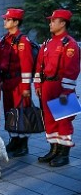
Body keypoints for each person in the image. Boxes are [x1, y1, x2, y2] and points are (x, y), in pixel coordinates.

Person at [34, 9, 80, 167]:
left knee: (64, 121)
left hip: (62, 87)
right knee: (49, 120)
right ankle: (53, 150)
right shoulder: (47, 43)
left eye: (53, 20)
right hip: (48, 86)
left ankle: (64, 153)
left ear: (63, 23)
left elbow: (72, 70)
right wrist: (38, 85)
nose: (50, 23)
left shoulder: (70, 44)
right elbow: (39, 65)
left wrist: (66, 92)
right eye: (50, 20)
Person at [0, 8, 34, 157]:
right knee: (10, 112)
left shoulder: (22, 41)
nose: (5, 21)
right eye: (5, 19)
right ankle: (14, 140)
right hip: (7, 82)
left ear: (16, 22)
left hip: (19, 82)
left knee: (21, 113)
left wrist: (26, 87)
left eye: (8, 19)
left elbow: (26, 65)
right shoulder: (4, 39)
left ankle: (23, 144)